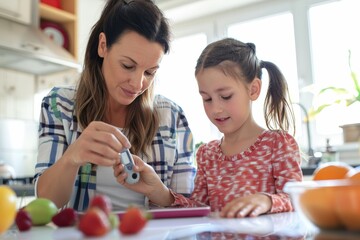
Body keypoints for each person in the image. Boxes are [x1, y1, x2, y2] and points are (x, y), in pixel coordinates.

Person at [34, 0, 196, 211]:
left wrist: (159, 192)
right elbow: (45, 203)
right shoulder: (59, 105)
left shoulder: (172, 116)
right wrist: (72, 157)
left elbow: (189, 210)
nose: (138, 84)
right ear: (103, 46)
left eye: (150, 72)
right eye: (127, 66)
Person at [170, 38, 303, 217]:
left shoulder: (277, 144)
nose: (215, 109)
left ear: (253, 90)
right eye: (207, 99)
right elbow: (198, 209)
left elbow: (295, 200)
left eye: (225, 96)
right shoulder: (206, 154)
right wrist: (159, 192)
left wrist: (267, 200)